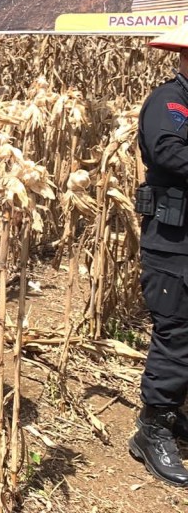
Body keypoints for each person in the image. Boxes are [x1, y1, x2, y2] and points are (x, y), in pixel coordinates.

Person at [127, 24, 188, 487]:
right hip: (174, 241)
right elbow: (170, 154)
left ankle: (175, 414)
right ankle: (152, 428)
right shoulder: (169, 103)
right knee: (177, 332)